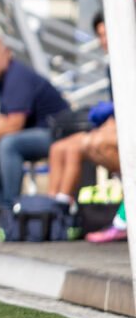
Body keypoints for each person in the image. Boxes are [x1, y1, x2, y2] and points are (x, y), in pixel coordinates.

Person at [0, 36, 69, 215]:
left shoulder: (17, 76)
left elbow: (15, 122)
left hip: (59, 134)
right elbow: (3, 119)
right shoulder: (3, 78)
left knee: (8, 143)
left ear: (7, 54)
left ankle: (9, 206)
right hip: (41, 132)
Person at [45, 13, 119, 211]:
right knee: (59, 148)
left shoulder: (128, 61)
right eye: (101, 35)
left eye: (108, 33)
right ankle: (55, 207)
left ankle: (127, 198)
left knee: (91, 143)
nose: (104, 40)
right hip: (115, 127)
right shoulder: (111, 67)